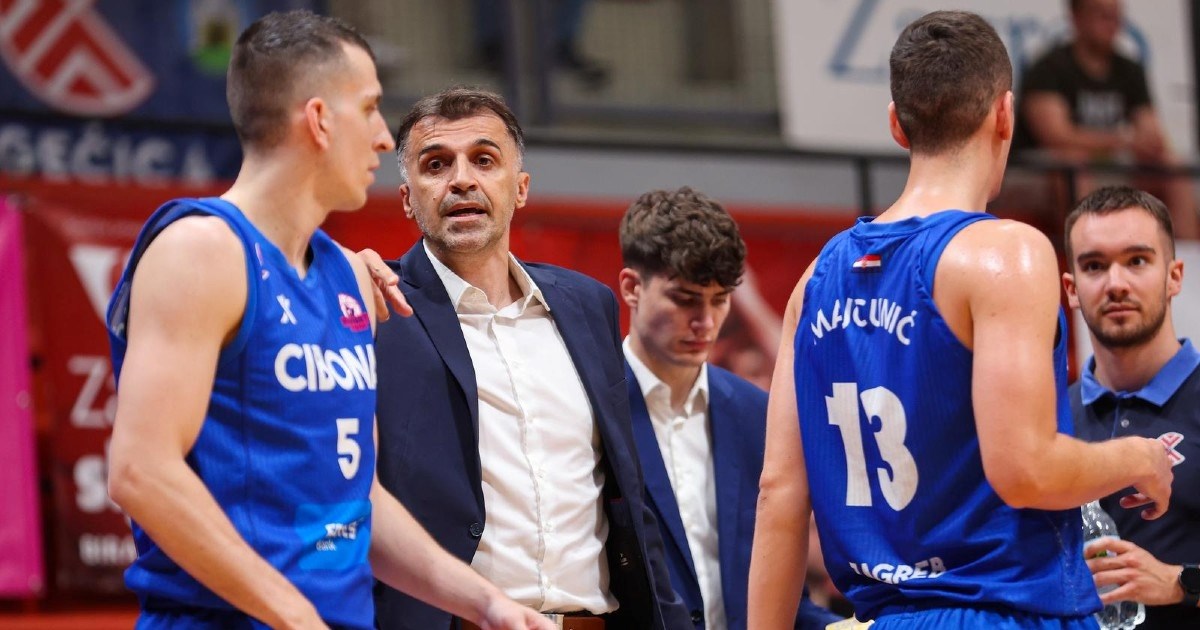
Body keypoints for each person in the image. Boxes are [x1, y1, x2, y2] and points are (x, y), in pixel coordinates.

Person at [104, 12, 551, 630]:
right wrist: (295, 615)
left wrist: (487, 602)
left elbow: (358, 499)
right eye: (368, 108)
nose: (382, 138)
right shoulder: (201, 250)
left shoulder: (347, 274)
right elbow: (141, 472)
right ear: (318, 119)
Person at [747, 10, 1175, 629]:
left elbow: (778, 493)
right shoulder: (1006, 253)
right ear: (1005, 115)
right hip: (998, 614)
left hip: (883, 618)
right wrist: (1137, 457)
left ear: (897, 125)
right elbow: (1026, 470)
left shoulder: (815, 279)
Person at [364, 87, 690, 629]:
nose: (461, 180)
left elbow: (629, 497)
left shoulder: (587, 305)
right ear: (407, 198)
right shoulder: (377, 304)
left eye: (484, 160)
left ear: (520, 188)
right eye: (436, 164)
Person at [617, 187, 843, 630]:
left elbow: (781, 602)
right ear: (632, 288)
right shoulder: (587, 404)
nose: (705, 322)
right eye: (685, 299)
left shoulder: (755, 413)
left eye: (720, 299)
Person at [1064, 185, 1200, 629]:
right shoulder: (1047, 419)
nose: (1116, 283)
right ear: (1071, 289)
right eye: (1094, 266)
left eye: (1137, 261)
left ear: (1174, 276)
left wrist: (1180, 583)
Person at [1014, 0, 1199, 239]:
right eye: (1102, 15)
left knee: (1172, 166)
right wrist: (1123, 141)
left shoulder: (1129, 69)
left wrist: (1149, 143)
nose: (1112, 24)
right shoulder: (1048, 68)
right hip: (1045, 167)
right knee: (1073, 163)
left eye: (1115, 16)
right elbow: (1056, 136)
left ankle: (1189, 256)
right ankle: (1091, 251)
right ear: (1077, 18)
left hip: (1110, 164)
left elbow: (1149, 128)